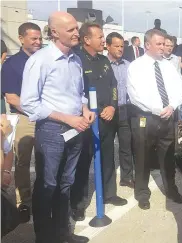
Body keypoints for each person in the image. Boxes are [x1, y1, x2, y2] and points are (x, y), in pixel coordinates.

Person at [20, 11, 94, 243]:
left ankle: (63, 234)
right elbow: (29, 103)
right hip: (52, 132)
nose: (76, 33)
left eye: (76, 28)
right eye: (70, 29)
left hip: (76, 130)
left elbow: (78, 93)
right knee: (48, 185)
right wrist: (67, 118)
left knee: (66, 184)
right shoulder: (40, 60)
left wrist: (84, 109)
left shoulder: (76, 59)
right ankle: (44, 237)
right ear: (54, 32)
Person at [71, 22, 126, 222]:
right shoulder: (76, 61)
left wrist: (112, 105)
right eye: (100, 37)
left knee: (107, 157)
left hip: (106, 118)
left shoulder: (103, 60)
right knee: (83, 162)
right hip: (86, 120)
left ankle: (110, 193)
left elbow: (113, 85)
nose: (104, 40)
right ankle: (78, 204)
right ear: (87, 39)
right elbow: (74, 91)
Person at [127, 29, 182, 210]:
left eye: (164, 44)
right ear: (147, 45)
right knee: (143, 156)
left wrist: (173, 106)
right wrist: (156, 109)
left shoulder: (168, 66)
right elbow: (134, 94)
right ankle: (142, 193)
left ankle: (171, 189)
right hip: (146, 118)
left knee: (168, 156)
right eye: (159, 44)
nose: (163, 47)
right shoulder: (136, 66)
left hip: (167, 117)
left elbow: (178, 88)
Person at [1, 22, 42, 222]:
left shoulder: (44, 60)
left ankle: (44, 197)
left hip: (46, 118)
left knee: (47, 159)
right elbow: (11, 97)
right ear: (21, 39)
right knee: (23, 162)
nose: (38, 42)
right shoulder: (12, 64)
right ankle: (24, 202)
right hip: (24, 118)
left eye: (40, 38)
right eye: (33, 38)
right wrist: (37, 111)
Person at [106, 32, 134, 188]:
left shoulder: (129, 66)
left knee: (126, 146)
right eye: (116, 46)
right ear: (108, 46)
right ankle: (107, 180)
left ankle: (127, 177)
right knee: (108, 148)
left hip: (124, 111)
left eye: (122, 46)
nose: (120, 49)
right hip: (108, 113)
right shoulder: (103, 64)